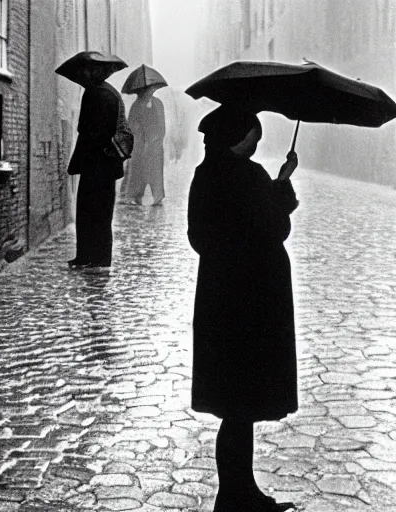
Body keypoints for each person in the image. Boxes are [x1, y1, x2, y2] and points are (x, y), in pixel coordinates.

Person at [187, 106, 300, 512]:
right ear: (240, 135)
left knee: (234, 407)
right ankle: (235, 496)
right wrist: (282, 190)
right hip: (252, 304)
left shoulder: (206, 173)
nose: (257, 143)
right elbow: (274, 226)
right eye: (254, 135)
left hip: (220, 300)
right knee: (242, 405)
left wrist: (275, 185)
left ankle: (238, 490)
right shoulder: (247, 175)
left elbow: (200, 235)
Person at [67, 67, 128, 268]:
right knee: (89, 211)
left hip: (99, 163)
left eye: (85, 73)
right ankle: (88, 255)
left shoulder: (101, 94)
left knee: (97, 212)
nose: (81, 76)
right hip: (97, 163)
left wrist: (86, 133)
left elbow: (96, 132)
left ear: (93, 73)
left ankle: (98, 257)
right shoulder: (102, 92)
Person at [120, 85, 166, 205]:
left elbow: (161, 124)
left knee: (155, 171)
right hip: (140, 144)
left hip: (155, 144)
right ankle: (136, 196)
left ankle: (158, 196)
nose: (150, 92)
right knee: (138, 171)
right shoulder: (136, 105)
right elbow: (131, 124)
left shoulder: (158, 104)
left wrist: (156, 138)